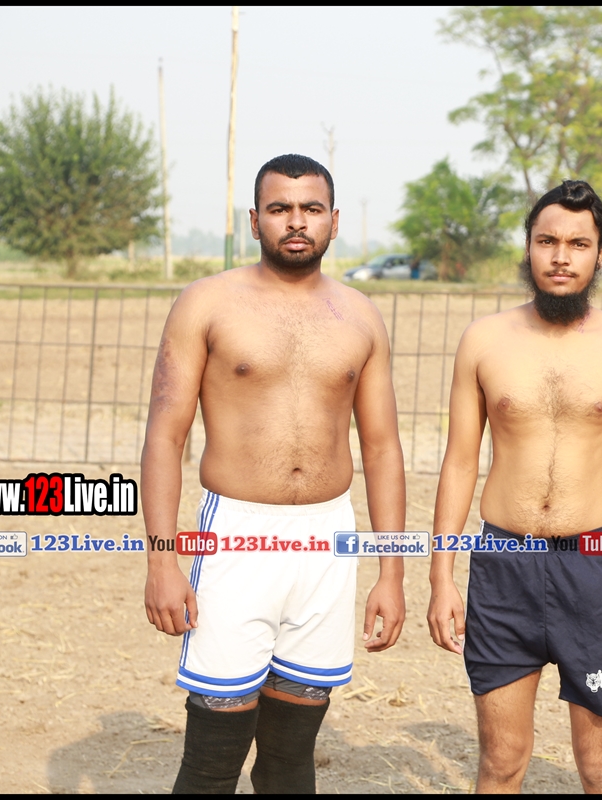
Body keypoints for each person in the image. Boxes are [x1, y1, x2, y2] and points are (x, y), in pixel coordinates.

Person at [141, 154, 407, 794]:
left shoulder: (361, 315)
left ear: (334, 221)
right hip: (235, 534)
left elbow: (382, 449)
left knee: (291, 757)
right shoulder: (206, 303)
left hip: (327, 539)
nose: (296, 222)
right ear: (255, 219)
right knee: (212, 759)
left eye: (311, 209)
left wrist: (392, 572)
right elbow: (165, 436)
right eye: (280, 208)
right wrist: (161, 561)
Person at [427, 180, 602, 793]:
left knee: (600, 767)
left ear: (600, 253)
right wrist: (441, 576)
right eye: (547, 242)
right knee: (501, 760)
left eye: (578, 244)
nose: (561, 257)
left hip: (591, 567)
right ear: (528, 247)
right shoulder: (484, 340)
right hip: (502, 564)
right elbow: (459, 461)